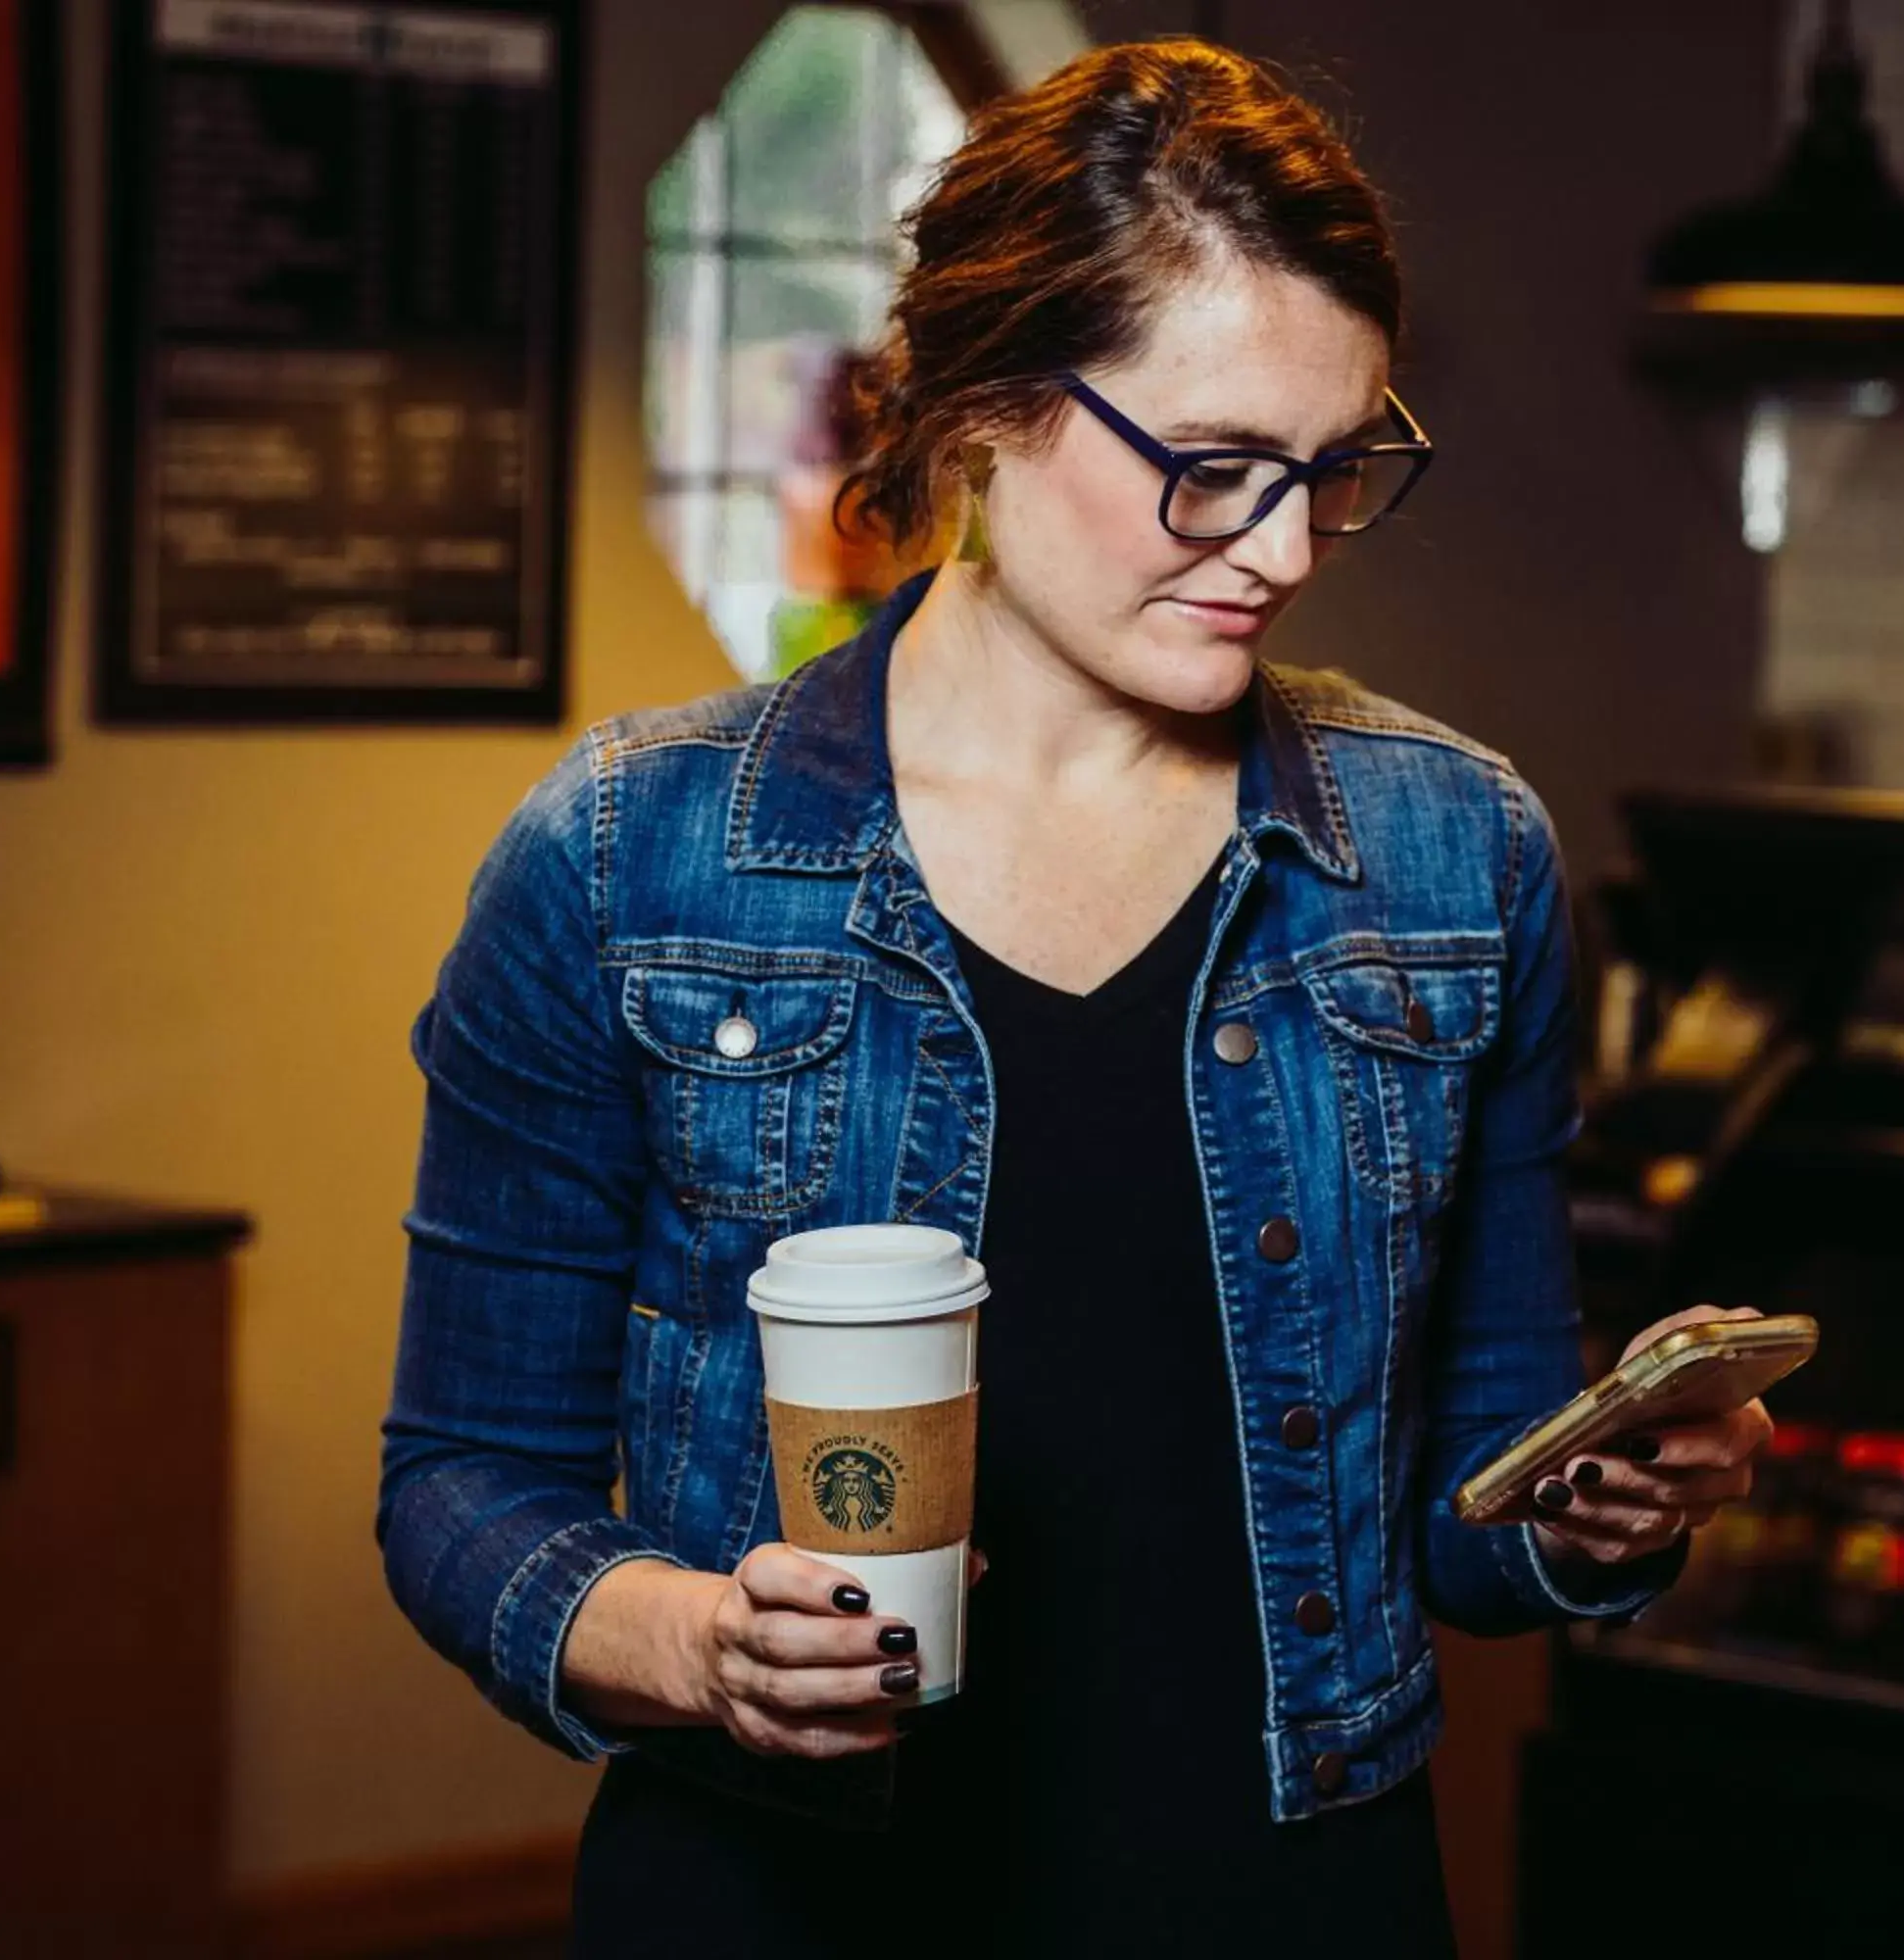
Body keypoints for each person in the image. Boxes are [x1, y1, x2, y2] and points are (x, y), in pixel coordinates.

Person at [381, 38, 1775, 1959]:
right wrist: (698, 1645)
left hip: (1301, 1896)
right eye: (1209, 471)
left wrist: (1602, 1496)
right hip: (790, 1902)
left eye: (1335, 469)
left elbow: (1472, 1515)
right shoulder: (629, 857)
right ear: (981, 404)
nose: (1282, 551)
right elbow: (464, 1484)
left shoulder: (1461, 857)